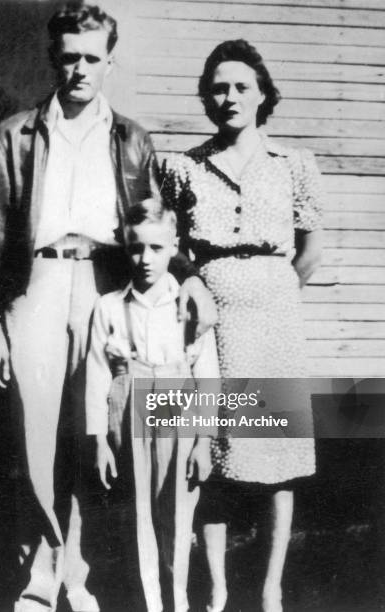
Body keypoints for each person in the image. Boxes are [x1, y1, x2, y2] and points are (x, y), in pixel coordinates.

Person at [0, 2, 216, 611]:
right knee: (34, 434)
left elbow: (154, 220)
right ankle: (39, 576)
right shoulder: (16, 134)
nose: (79, 69)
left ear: (110, 61)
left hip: (102, 284)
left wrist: (186, 276)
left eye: (91, 57)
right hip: (34, 287)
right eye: (68, 57)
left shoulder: (131, 137)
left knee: (88, 434)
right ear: (52, 59)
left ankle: (77, 577)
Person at [161, 39, 322, 612]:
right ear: (206, 96)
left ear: (262, 95)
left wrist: (270, 289)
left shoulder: (294, 165)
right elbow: (167, 246)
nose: (228, 97)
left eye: (240, 87)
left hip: (275, 323)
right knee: (212, 455)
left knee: (277, 456)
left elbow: (309, 251)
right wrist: (195, 280)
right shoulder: (182, 167)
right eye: (218, 87)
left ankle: (270, 589)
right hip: (210, 325)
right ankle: (218, 590)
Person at [85, 199, 220, 612]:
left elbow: (208, 376)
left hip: (179, 416)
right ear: (125, 247)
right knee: (138, 512)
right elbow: (96, 375)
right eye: (136, 248)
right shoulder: (109, 306)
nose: (145, 259)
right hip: (128, 420)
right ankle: (147, 602)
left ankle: (176, 600)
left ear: (174, 246)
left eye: (157, 248)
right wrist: (99, 441)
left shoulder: (188, 307)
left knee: (178, 513)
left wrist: (202, 441)